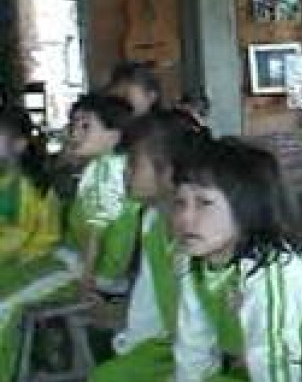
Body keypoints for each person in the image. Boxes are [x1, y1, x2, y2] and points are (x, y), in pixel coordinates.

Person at [171, 138, 302, 382]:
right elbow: (192, 345)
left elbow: (274, 359)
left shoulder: (271, 272)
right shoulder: (192, 263)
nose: (185, 217)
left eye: (204, 203)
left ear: (247, 207)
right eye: (179, 202)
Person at [90, 111, 202, 382]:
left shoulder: (200, 232)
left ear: (169, 171)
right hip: (170, 345)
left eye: (133, 163)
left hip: (211, 353)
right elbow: (147, 302)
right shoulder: (152, 221)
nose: (125, 173)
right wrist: (129, 346)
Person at [0, 107, 74, 382]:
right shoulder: (6, 182)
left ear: (19, 145)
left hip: (42, 261)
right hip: (17, 261)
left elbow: (18, 238)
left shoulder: (30, 186)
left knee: (4, 307)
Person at [63, 94, 137, 294]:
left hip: (93, 270)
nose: (75, 133)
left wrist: (87, 278)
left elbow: (96, 230)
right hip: (94, 265)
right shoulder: (109, 164)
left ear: (115, 135)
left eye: (86, 126)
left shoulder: (106, 169)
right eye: (73, 125)